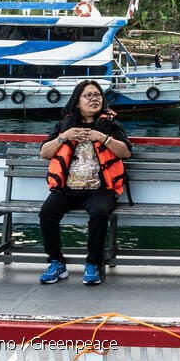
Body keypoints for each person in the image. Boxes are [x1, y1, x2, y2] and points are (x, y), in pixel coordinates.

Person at [37, 79, 132, 286]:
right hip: (67, 188)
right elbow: (44, 153)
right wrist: (64, 137)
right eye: (88, 95)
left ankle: (92, 263)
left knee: (99, 213)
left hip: (100, 189)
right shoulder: (65, 126)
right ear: (77, 101)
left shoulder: (110, 125)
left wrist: (103, 138)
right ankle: (56, 262)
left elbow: (126, 152)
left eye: (97, 95)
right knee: (47, 213)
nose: (94, 99)